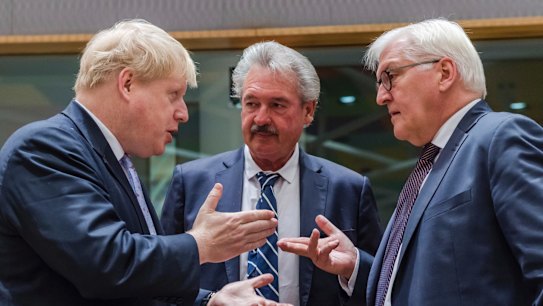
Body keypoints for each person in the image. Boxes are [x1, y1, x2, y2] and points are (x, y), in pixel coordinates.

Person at [0, 19, 291, 306]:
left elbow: (138, 278)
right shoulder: (43, 149)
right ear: (127, 84)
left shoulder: (114, 159)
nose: (183, 113)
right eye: (173, 95)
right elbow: (107, 265)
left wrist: (210, 300)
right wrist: (201, 244)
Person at [278, 18, 543, 306]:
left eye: (390, 75)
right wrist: (355, 266)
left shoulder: (500, 138)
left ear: (444, 73)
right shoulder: (431, 163)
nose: (380, 96)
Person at [160, 41, 383, 306]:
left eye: (277, 105)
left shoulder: (348, 189)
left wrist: (352, 268)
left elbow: (381, 285)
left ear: (308, 111)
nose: (261, 119)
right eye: (252, 103)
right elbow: (162, 282)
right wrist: (211, 301)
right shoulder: (191, 182)